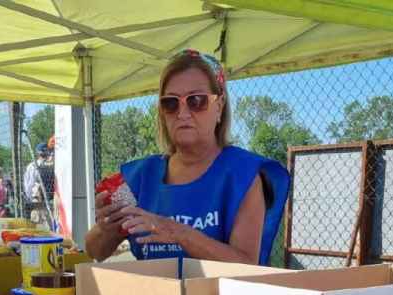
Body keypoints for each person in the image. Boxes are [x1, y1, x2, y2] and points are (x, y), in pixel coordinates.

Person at [86, 49, 289, 265]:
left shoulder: (242, 176)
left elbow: (246, 265)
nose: (182, 113)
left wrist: (176, 232)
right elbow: (95, 251)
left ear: (219, 107)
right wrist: (106, 229)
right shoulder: (141, 176)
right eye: (171, 103)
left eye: (196, 101)